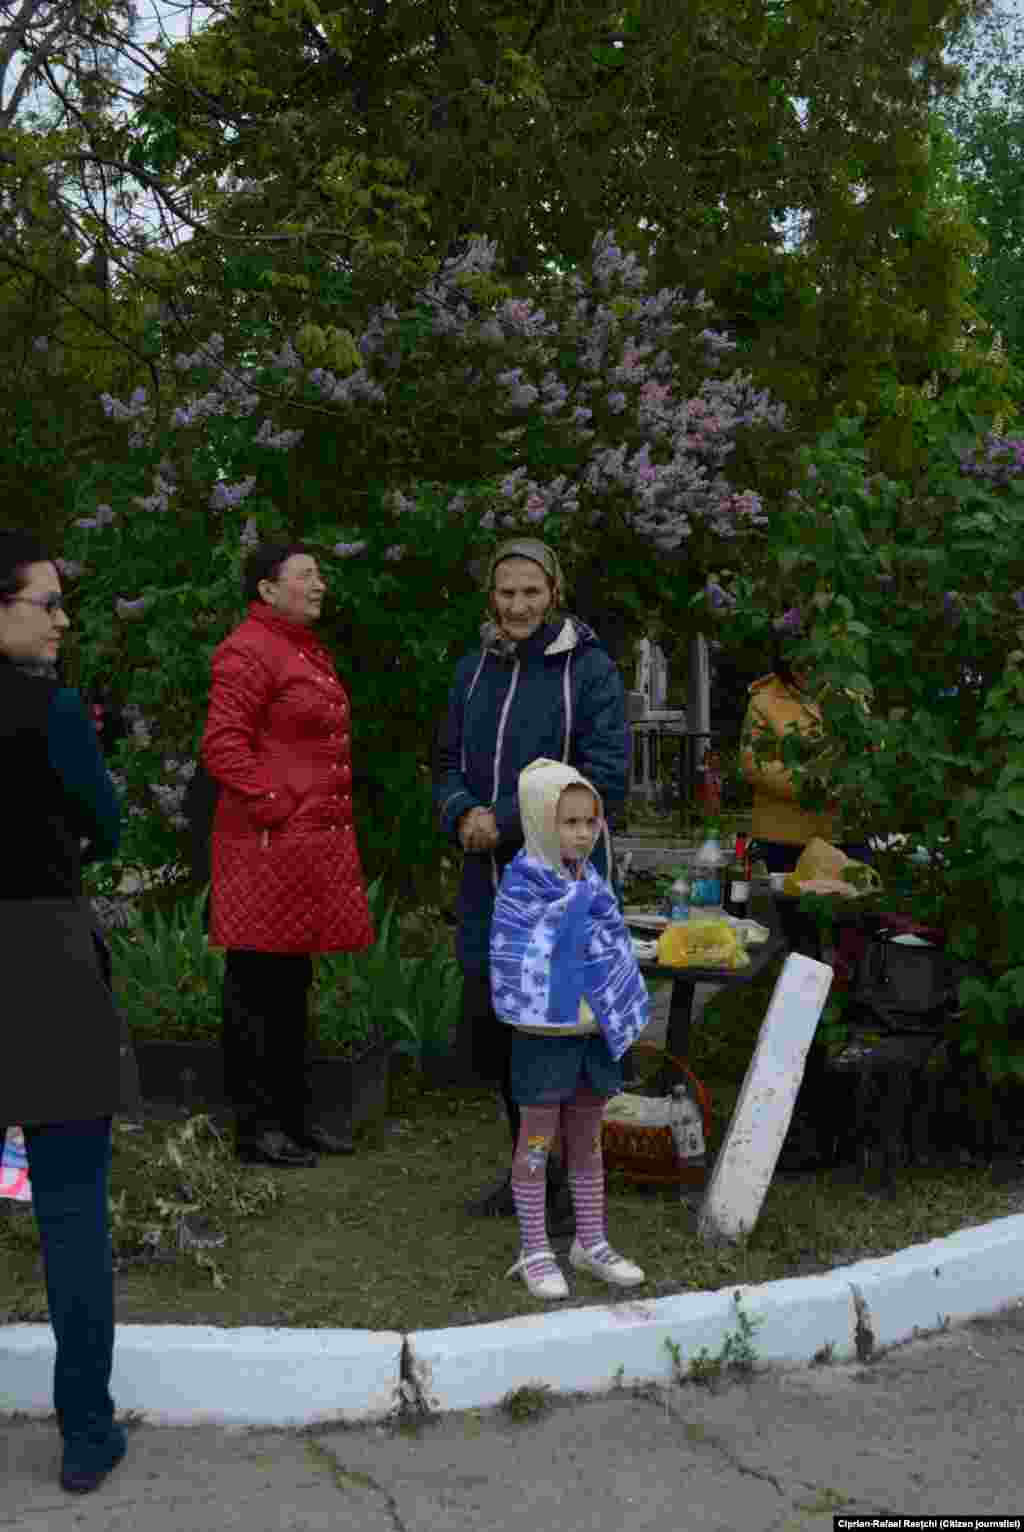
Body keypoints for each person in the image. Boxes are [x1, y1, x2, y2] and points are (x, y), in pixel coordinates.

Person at [0, 530, 140, 1496]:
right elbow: (108, 820)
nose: (62, 616)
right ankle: (86, 1431)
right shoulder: (51, 709)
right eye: (45, 600)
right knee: (71, 1204)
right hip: (42, 955)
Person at [434, 538, 629, 1224]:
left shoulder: (591, 670)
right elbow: (446, 763)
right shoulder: (473, 671)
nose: (518, 606)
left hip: (563, 886)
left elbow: (606, 776)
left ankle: (572, 1184)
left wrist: (510, 820)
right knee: (498, 1030)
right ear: (493, 596)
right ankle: (530, 1174)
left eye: (531, 593)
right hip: (487, 884)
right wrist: (461, 814)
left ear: (554, 592)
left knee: (560, 1034)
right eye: (506, 593)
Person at [201, 542, 375, 1168]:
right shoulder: (248, 649)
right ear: (267, 590)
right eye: (305, 576)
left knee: (291, 983)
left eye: (319, 575)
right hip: (265, 847)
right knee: (255, 986)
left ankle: (295, 1119)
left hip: (302, 850)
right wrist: (277, 803)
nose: (320, 584)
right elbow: (223, 746)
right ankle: (256, 1128)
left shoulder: (301, 649)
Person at [490, 759, 649, 1298]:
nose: (582, 833)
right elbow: (518, 957)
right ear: (539, 822)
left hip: (591, 1035)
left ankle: (590, 1241)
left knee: (587, 1139)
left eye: (589, 821)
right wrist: (576, 924)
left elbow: (609, 946)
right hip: (543, 1039)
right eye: (569, 822)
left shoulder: (594, 882)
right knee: (537, 1140)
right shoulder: (521, 886)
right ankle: (534, 1248)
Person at [740, 645, 872, 875]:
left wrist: (847, 783)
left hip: (842, 834)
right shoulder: (762, 701)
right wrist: (815, 785)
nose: (808, 671)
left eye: (814, 663)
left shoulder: (851, 695)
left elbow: (868, 752)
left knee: (855, 904)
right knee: (784, 905)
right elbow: (757, 767)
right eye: (799, 666)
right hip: (783, 838)